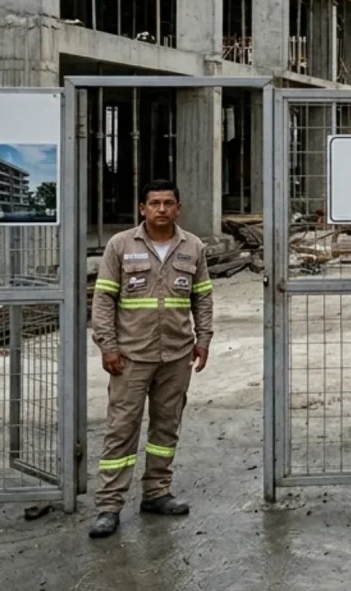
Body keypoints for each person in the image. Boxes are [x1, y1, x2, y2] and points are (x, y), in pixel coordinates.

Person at [88, 179, 214, 538]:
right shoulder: (121, 245)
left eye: (168, 203)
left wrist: (203, 339)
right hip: (131, 356)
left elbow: (202, 297)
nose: (162, 209)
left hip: (176, 355)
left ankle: (157, 492)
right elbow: (103, 300)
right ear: (142, 208)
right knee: (121, 430)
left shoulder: (194, 247)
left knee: (165, 427)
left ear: (179, 208)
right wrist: (108, 345)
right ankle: (109, 506)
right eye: (154, 203)